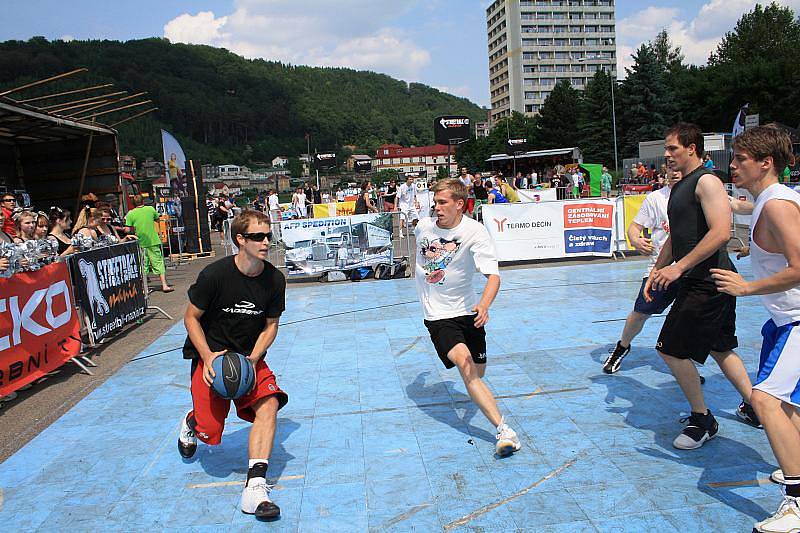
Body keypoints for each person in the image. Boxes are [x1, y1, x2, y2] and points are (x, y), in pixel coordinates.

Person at [645, 123, 760, 450]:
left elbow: (721, 232)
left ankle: (703, 419)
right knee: (721, 347)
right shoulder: (682, 186)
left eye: (672, 149)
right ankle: (756, 405)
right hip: (703, 280)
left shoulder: (706, 182)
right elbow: (676, 236)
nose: (666, 155)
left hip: (708, 283)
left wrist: (679, 267)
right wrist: (657, 269)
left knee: (669, 349)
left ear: (692, 148)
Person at [711, 125, 800, 532]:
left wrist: (747, 287)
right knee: (787, 406)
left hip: (796, 321)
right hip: (784, 321)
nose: (733, 165)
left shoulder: (778, 205)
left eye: (741, 159)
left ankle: (796, 505)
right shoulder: (767, 200)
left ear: (766, 163)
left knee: (764, 402)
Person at [178, 210, 287, 520]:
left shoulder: (274, 279)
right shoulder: (215, 275)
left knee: (269, 403)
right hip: (213, 358)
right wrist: (208, 356)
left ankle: (255, 489)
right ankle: (192, 420)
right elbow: (191, 318)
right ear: (240, 239)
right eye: (258, 237)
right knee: (210, 432)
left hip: (248, 358)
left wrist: (254, 358)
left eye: (269, 235)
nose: (266, 242)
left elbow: (271, 325)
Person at [415, 178, 521, 456]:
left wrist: (484, 305)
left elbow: (493, 276)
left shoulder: (475, 232)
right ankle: (504, 431)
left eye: (442, 202)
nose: (436, 208)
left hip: (469, 313)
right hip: (438, 316)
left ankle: (478, 393)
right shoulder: (423, 228)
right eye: (434, 202)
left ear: (460, 204)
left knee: (477, 372)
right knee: (466, 367)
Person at [604, 169, 685, 373]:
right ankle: (622, 346)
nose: (674, 172)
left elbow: (736, 205)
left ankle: (686, 368)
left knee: (690, 319)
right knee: (640, 312)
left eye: (678, 166)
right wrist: (635, 239)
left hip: (692, 268)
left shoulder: (702, 192)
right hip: (660, 268)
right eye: (669, 167)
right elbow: (634, 228)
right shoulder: (656, 198)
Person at [125, 195, 174, 293]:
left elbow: (127, 229)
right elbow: (157, 219)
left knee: (143, 266)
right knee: (158, 263)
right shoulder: (150, 209)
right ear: (143, 201)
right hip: (153, 241)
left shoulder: (130, 214)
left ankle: (144, 288)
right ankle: (164, 285)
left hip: (140, 243)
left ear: (133, 203)